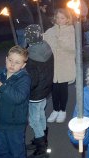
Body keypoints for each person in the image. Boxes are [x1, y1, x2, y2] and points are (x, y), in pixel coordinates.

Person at [0, 46, 31, 158]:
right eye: (10, 60)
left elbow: (19, 97)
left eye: (17, 62)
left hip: (14, 124)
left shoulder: (24, 79)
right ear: (6, 59)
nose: (12, 64)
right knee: (1, 151)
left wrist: (2, 87)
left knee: (17, 152)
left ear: (23, 65)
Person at [24, 24, 54, 156]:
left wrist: (24, 90)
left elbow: (32, 80)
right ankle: (41, 139)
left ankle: (41, 148)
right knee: (40, 114)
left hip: (35, 94)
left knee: (34, 120)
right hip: (45, 89)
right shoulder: (46, 47)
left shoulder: (30, 56)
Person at [43, 8, 75, 123]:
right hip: (53, 65)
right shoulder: (51, 31)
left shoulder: (71, 31)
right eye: (57, 18)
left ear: (67, 19)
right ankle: (55, 109)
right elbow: (44, 43)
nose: (59, 20)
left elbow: (73, 48)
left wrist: (61, 41)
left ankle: (62, 110)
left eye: (62, 18)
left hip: (65, 65)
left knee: (62, 88)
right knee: (54, 88)